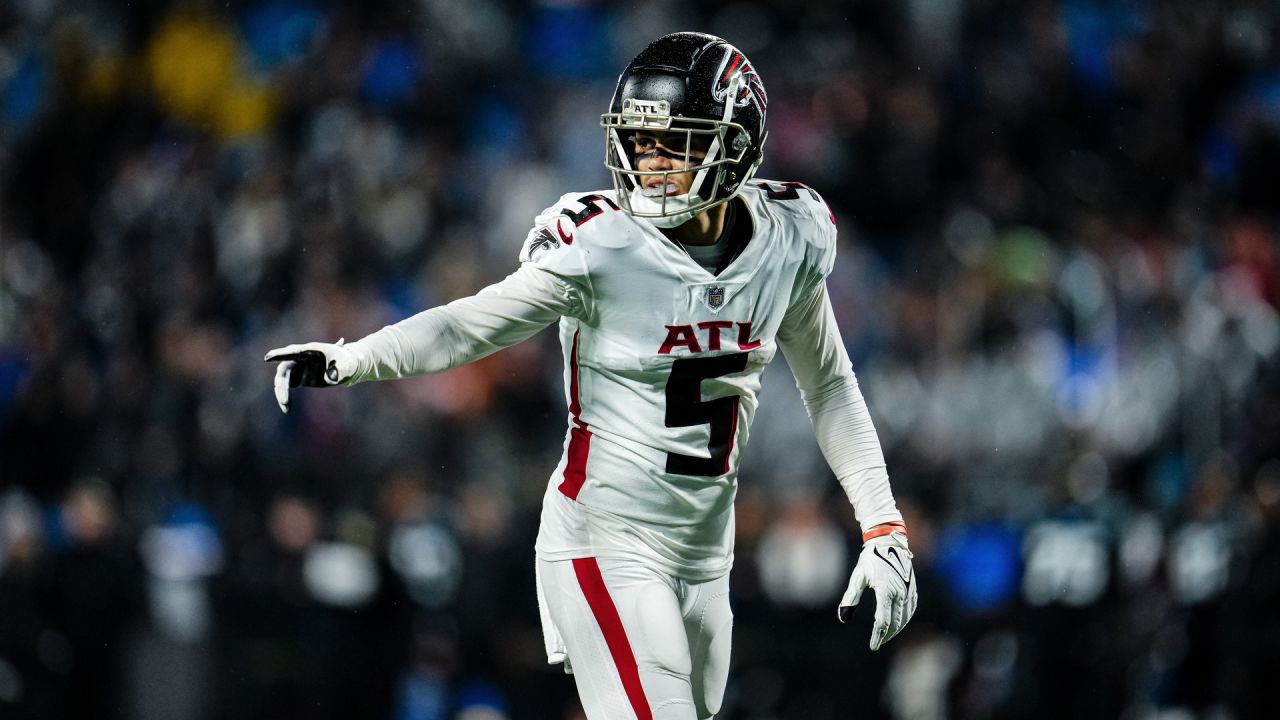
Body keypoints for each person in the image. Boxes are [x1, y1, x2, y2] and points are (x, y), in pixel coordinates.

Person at [266, 32, 916, 720]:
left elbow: (831, 386)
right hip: (604, 538)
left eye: (676, 143)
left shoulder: (789, 236)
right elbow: (470, 325)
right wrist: (351, 360)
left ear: (735, 143)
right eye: (640, 142)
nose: (651, 163)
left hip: (704, 552)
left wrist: (883, 528)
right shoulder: (602, 245)